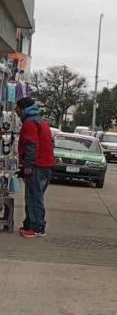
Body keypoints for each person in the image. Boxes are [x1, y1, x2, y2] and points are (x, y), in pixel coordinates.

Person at [16, 97, 54, 237]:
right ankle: (30, 224)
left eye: (17, 108)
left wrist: (27, 166)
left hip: (37, 166)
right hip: (45, 165)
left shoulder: (30, 123)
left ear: (22, 108)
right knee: (36, 196)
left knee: (33, 197)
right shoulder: (41, 121)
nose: (16, 111)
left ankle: (36, 227)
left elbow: (31, 145)